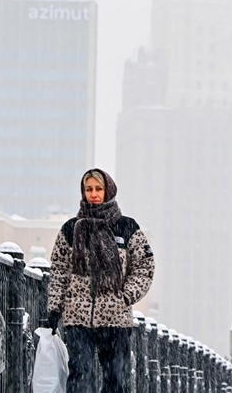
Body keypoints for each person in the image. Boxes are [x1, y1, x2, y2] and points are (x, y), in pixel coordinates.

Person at [46, 168, 155, 393]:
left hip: (115, 318)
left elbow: (145, 267)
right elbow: (59, 270)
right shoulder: (70, 229)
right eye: (89, 189)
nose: (94, 194)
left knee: (115, 378)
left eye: (98, 189)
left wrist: (124, 296)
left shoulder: (126, 227)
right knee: (80, 372)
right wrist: (55, 307)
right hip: (77, 316)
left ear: (108, 190)